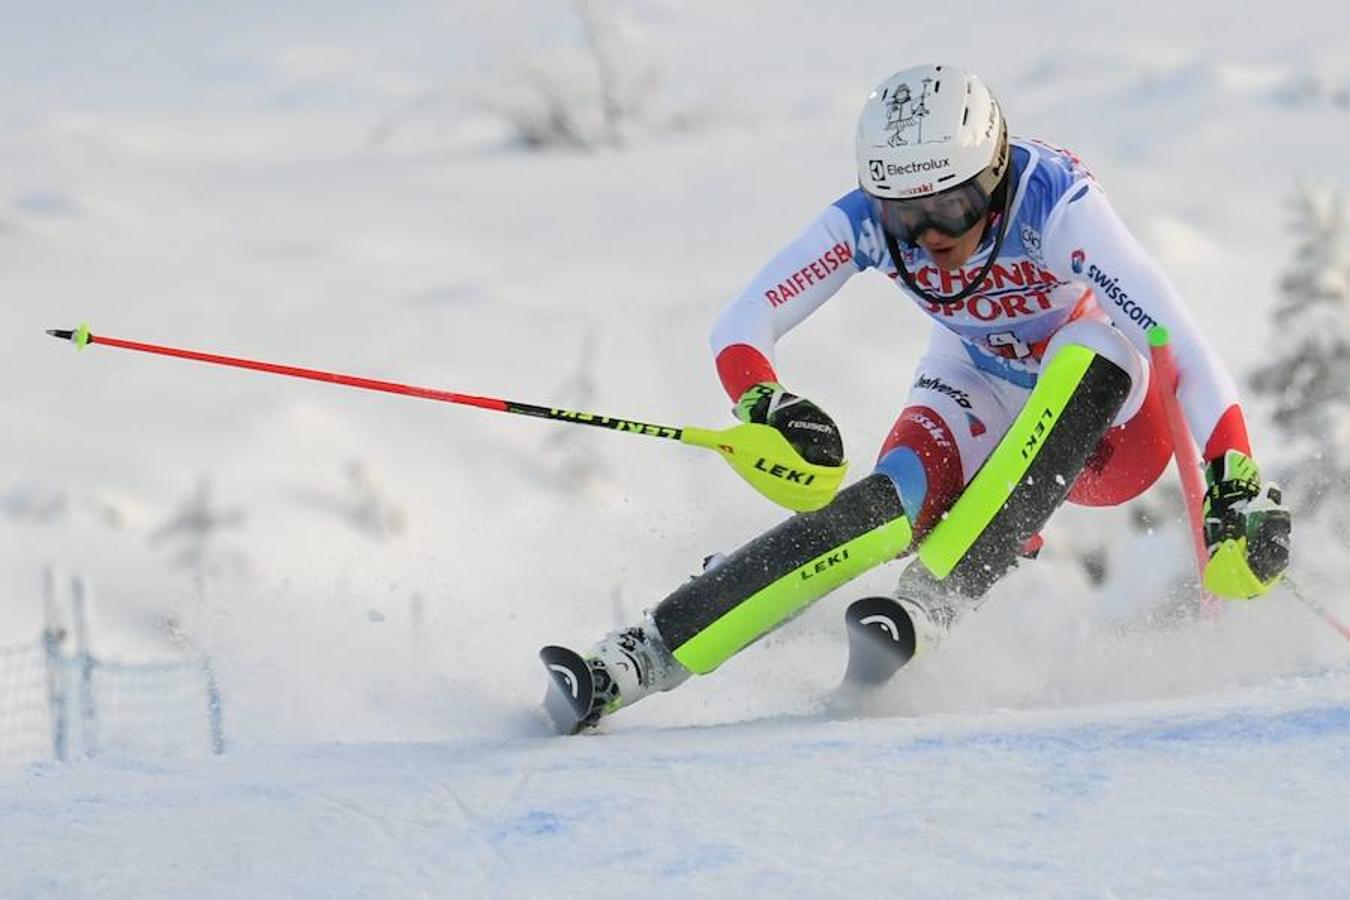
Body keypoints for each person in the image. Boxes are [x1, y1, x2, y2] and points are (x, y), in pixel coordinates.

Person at [540, 63, 1291, 733]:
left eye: (954, 209)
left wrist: (1236, 479)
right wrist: (763, 400)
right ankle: (635, 658)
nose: (932, 236)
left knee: (1089, 345)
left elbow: (1180, 343)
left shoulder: (1057, 205)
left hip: (1111, 431)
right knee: (879, 510)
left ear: (994, 178)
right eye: (907, 214)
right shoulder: (866, 221)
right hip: (977, 379)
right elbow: (745, 319)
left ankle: (938, 596)